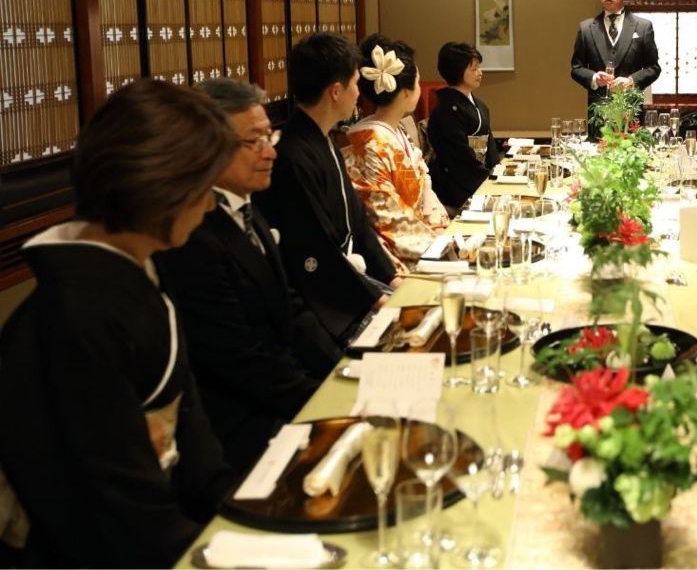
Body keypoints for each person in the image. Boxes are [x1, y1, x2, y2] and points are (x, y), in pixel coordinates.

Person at [0, 80, 238, 567]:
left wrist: (239, 508)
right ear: (162, 188)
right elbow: (111, 504)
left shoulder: (137, 269)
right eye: (202, 190)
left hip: (165, 522)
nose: (210, 205)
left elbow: (193, 433)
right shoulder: (73, 316)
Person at [155, 79, 341, 473]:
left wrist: (343, 373)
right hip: (241, 427)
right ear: (206, 147)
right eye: (254, 141)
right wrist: (327, 403)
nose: (271, 151)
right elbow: (242, 359)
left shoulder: (246, 208)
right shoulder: (194, 236)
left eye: (269, 136)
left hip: (282, 391)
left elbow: (293, 312)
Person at [256, 32, 402, 343]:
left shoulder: (323, 138)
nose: (358, 92)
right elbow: (315, 246)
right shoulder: (293, 155)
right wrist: (374, 298)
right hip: (324, 299)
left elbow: (358, 221)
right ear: (336, 91)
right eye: (355, 83)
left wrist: (391, 278)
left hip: (351, 278)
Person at [344, 34, 449, 270]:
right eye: (418, 82)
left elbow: (425, 190)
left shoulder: (396, 131)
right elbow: (388, 220)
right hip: (396, 259)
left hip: (426, 238)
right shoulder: (370, 146)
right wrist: (438, 245)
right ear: (405, 93)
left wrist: (440, 227)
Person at [570, 0, 661, 138]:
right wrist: (594, 78)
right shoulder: (586, 28)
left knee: (630, 153)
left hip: (631, 113)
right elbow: (576, 68)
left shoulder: (643, 27)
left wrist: (631, 81)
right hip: (598, 113)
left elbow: (653, 68)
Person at [427, 41, 502, 209]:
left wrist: (496, 171)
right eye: (474, 69)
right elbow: (458, 157)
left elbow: (490, 145)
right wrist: (488, 178)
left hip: (478, 176)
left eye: (479, 67)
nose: (480, 73)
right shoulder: (447, 109)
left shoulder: (479, 105)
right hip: (456, 185)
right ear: (457, 71)